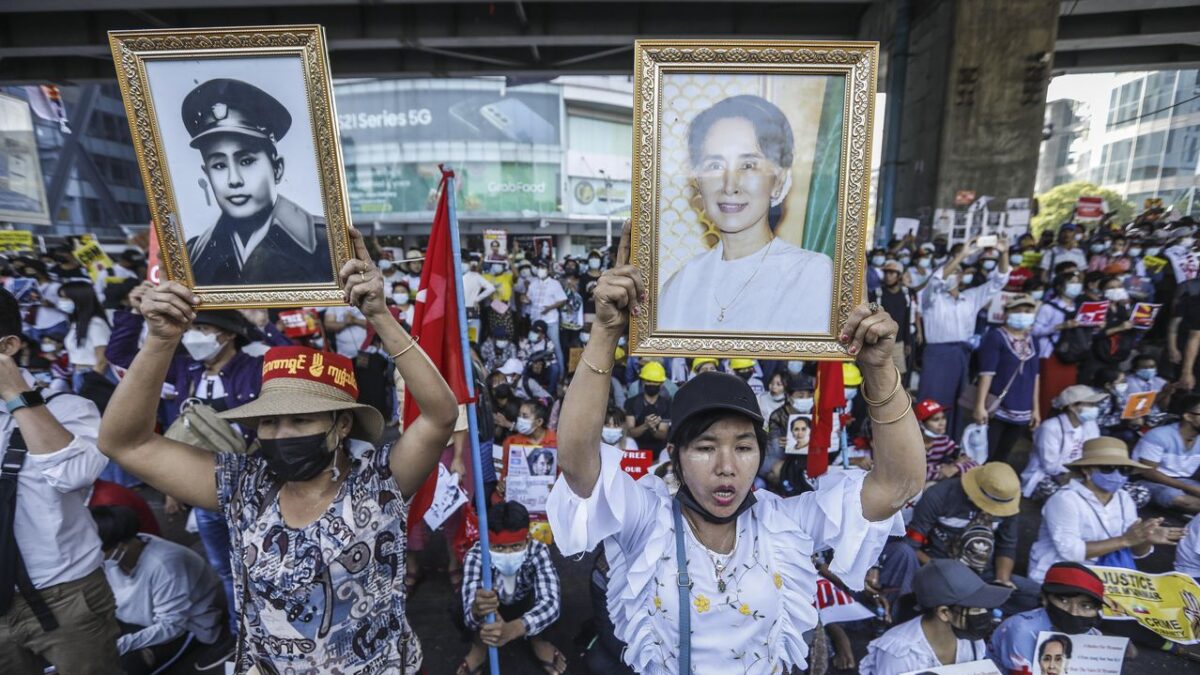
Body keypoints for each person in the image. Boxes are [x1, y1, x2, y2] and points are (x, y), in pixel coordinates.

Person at [548, 223, 924, 673]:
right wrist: (606, 331)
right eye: (705, 448)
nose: (727, 466)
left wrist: (880, 371)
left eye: (744, 447)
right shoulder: (646, 522)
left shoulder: (785, 525)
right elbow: (576, 462)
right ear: (676, 458)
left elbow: (899, 485)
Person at [96, 228, 460, 672]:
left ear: (342, 424)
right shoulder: (242, 486)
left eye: (301, 419)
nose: (282, 434)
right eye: (268, 421)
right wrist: (160, 340)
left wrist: (379, 315)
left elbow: (439, 416)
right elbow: (124, 442)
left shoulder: (379, 482)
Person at [0, 289, 122, 674]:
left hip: (66, 597)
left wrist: (16, 395)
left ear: (9, 346)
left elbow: (73, 474)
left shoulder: (69, 409)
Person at [657, 95, 834, 333]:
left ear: (778, 180)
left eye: (748, 165)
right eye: (715, 166)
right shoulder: (681, 284)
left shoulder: (811, 274)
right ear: (698, 181)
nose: (730, 185)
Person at [181, 79, 331, 286]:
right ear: (206, 174)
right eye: (219, 165)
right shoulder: (193, 255)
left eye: (247, 161)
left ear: (277, 169)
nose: (234, 180)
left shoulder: (326, 241)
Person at [90, 505, 223, 675]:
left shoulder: (165, 565)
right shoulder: (121, 551)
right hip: (139, 622)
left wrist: (121, 645)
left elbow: (172, 626)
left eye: (96, 551)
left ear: (120, 546)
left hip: (187, 628)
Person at [1028, 437, 1182, 581]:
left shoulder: (1123, 498)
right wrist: (1125, 540)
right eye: (1108, 468)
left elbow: (1136, 553)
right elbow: (1071, 552)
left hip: (1107, 576)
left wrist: (1145, 538)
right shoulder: (1065, 500)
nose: (1117, 475)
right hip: (1060, 574)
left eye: (1124, 470)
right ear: (1087, 471)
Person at [906, 463, 1039, 613]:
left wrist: (1002, 581)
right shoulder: (940, 495)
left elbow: (1007, 546)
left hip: (985, 574)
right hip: (942, 570)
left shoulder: (1007, 503)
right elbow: (912, 546)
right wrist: (946, 572)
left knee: (1035, 595)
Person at [460, 501, 564, 675]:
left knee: (545, 603)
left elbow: (551, 603)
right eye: (499, 547)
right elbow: (468, 616)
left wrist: (514, 629)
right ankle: (479, 647)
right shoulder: (476, 555)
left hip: (525, 603)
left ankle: (537, 640)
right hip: (493, 608)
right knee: (460, 607)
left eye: (516, 546)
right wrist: (477, 609)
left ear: (527, 540)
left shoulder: (538, 550)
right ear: (487, 542)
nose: (507, 555)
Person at [917, 237, 1010, 433]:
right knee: (931, 402)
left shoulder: (971, 297)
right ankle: (924, 446)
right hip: (937, 355)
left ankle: (948, 444)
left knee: (955, 403)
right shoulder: (931, 298)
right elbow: (936, 279)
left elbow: (1000, 280)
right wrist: (962, 255)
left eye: (957, 272)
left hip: (962, 355)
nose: (953, 275)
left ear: (961, 277)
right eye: (951, 270)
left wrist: (1004, 253)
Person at [859, 559, 1011, 675]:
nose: (984, 613)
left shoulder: (971, 640)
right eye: (976, 609)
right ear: (944, 613)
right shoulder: (899, 653)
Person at [991, 562, 1106, 675]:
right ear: (1045, 599)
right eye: (1064, 601)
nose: (1073, 612)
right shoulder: (1021, 629)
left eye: (1085, 606)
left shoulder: (1094, 636)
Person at [972, 294, 1041, 463]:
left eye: (1027, 311)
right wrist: (980, 406)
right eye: (1018, 310)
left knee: (1003, 454)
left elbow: (1036, 376)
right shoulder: (995, 337)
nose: (1023, 314)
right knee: (984, 453)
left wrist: (1035, 408)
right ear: (1007, 313)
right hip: (998, 408)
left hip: (1023, 409)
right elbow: (987, 373)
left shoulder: (1033, 340)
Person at [1021, 385, 1106, 500]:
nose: (1094, 408)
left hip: (1079, 473)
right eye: (1090, 404)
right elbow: (1050, 466)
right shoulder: (1050, 428)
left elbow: (1094, 450)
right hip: (1047, 476)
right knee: (1068, 498)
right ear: (1072, 407)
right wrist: (1078, 473)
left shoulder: (1090, 424)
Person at [1131, 393, 1200, 514]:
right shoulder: (1159, 436)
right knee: (1176, 497)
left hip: (1184, 481)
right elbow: (1147, 471)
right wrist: (1190, 488)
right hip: (1149, 481)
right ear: (1188, 417)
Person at [1032, 271, 1085, 417]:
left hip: (1071, 355)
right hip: (1051, 354)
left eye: (1077, 282)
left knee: (1067, 392)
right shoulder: (1048, 307)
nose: (1076, 286)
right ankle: (1040, 421)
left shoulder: (1080, 308)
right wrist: (1059, 326)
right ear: (1060, 287)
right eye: (1071, 282)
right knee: (1048, 391)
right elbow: (1035, 330)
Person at [915, 399, 976, 483]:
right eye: (936, 420)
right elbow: (916, 473)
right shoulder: (912, 444)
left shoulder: (944, 441)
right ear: (921, 424)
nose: (942, 423)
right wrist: (945, 468)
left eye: (943, 418)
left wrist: (954, 468)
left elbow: (972, 463)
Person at [624, 361, 671, 458]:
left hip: (659, 452)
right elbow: (630, 432)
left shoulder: (667, 405)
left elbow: (663, 434)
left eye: (655, 382)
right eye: (648, 381)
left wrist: (653, 429)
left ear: (661, 384)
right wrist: (646, 425)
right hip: (635, 451)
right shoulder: (631, 403)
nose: (651, 384)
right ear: (643, 382)